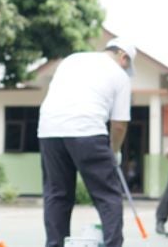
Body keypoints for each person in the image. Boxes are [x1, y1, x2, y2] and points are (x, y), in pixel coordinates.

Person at [37, 38, 135, 247]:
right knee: (108, 195)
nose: (126, 68)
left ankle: (54, 244)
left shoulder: (72, 60)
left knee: (57, 195)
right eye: (127, 64)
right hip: (87, 130)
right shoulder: (120, 75)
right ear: (123, 56)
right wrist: (114, 152)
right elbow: (119, 125)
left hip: (49, 130)